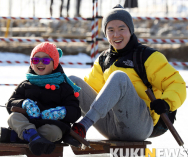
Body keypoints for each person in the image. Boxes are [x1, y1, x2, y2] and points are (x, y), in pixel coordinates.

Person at [70, 4, 186, 142]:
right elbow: (90, 93)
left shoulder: (147, 56)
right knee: (72, 83)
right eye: (110, 30)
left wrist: (166, 103)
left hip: (139, 126)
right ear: (106, 34)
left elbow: (176, 83)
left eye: (121, 29)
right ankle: (58, 128)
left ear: (130, 30)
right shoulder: (103, 60)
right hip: (110, 126)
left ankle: (84, 125)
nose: (116, 34)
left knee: (119, 77)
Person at [4, 42, 81, 156]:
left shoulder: (63, 87)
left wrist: (60, 112)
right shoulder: (26, 84)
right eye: (36, 60)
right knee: (13, 117)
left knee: (54, 132)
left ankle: (22, 136)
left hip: (50, 125)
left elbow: (75, 111)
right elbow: (10, 104)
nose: (40, 63)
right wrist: (24, 103)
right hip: (28, 122)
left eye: (45, 60)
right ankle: (34, 138)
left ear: (54, 63)